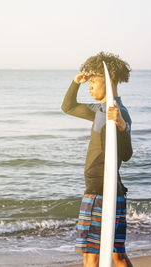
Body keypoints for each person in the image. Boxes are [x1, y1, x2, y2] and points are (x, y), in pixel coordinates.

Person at [61, 52, 133, 267]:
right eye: (88, 82)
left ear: (109, 78)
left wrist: (121, 125)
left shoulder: (120, 112)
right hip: (102, 190)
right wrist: (75, 83)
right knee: (115, 255)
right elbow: (69, 107)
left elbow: (126, 154)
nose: (89, 86)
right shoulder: (99, 109)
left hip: (102, 193)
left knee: (92, 256)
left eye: (93, 81)